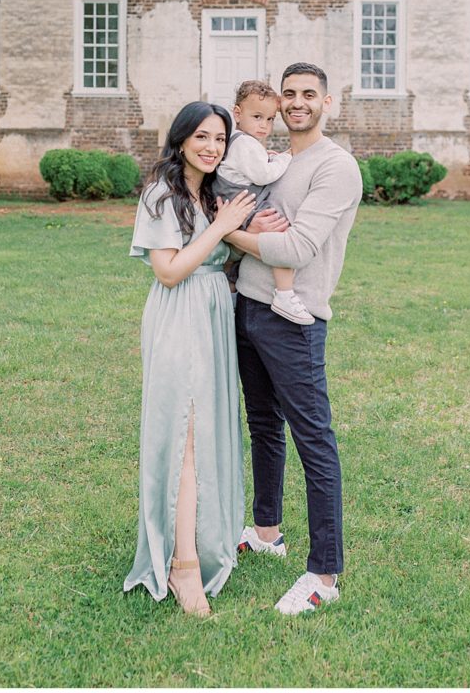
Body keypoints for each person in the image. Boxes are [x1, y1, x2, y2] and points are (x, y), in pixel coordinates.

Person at [224, 63, 363, 616]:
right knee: (263, 426)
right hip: (250, 307)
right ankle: (267, 532)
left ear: (327, 102)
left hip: (295, 320)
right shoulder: (269, 159)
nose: (297, 102)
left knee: (314, 440)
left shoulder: (336, 167)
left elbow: (296, 249)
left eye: (309, 94)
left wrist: (220, 232)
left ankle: (325, 574)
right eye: (289, 94)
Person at [123, 102, 256, 617]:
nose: (212, 147)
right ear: (180, 139)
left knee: (209, 434)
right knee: (186, 438)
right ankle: (182, 566)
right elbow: (170, 271)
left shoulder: (210, 193)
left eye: (221, 139)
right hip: (179, 317)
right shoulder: (161, 193)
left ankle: (203, 541)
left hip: (214, 316)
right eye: (202, 136)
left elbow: (219, 258)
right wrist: (221, 229)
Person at [213, 79, 314, 326]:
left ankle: (231, 291)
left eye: (270, 119)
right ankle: (285, 293)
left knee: (238, 258)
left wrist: (268, 157)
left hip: (235, 199)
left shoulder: (240, 141)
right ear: (237, 114)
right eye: (257, 117)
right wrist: (285, 158)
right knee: (278, 234)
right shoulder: (246, 143)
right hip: (242, 201)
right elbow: (263, 175)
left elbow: (253, 166)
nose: (264, 126)